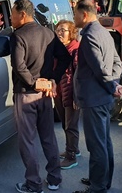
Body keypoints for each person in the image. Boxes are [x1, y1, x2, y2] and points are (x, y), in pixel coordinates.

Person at [10, 0, 71, 193]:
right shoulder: (48, 33)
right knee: (48, 138)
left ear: (22, 14)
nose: (10, 17)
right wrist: (52, 79)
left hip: (26, 95)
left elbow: (18, 66)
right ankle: (54, 179)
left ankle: (33, 183)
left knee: (27, 141)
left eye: (12, 13)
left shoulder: (18, 36)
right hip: (45, 95)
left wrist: (33, 82)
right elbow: (65, 57)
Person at [72, 0, 122, 193]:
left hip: (94, 99)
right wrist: (115, 84)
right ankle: (101, 181)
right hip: (102, 98)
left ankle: (97, 187)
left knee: (96, 146)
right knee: (104, 142)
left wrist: (113, 86)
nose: (74, 18)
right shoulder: (103, 32)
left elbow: (100, 70)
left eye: (75, 13)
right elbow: (116, 62)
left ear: (84, 14)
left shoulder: (90, 36)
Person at [54, 20, 81, 170]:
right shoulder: (59, 49)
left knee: (71, 125)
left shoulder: (76, 49)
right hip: (60, 91)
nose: (60, 33)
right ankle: (72, 148)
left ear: (71, 33)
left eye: (63, 30)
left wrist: (77, 96)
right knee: (65, 123)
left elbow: (79, 75)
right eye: (58, 30)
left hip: (71, 92)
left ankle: (71, 156)